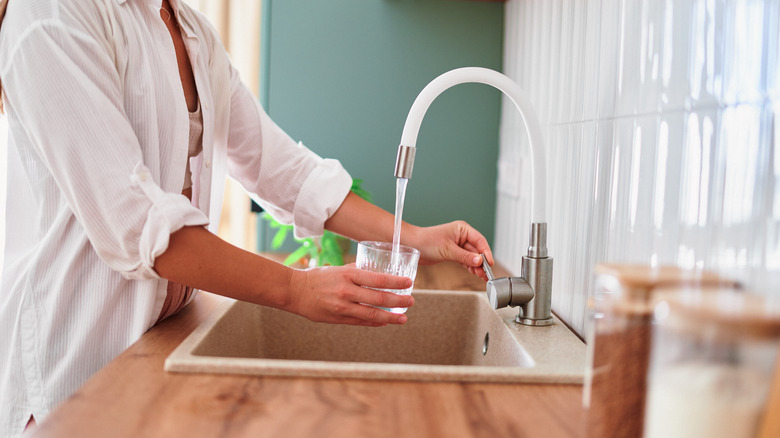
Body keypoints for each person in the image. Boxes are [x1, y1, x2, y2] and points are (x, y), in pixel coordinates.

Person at [0, 0, 495, 436]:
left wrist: (414, 238)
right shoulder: (51, 13)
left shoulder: (189, 29)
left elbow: (279, 168)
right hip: (72, 370)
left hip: (157, 342)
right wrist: (297, 289)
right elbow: (136, 221)